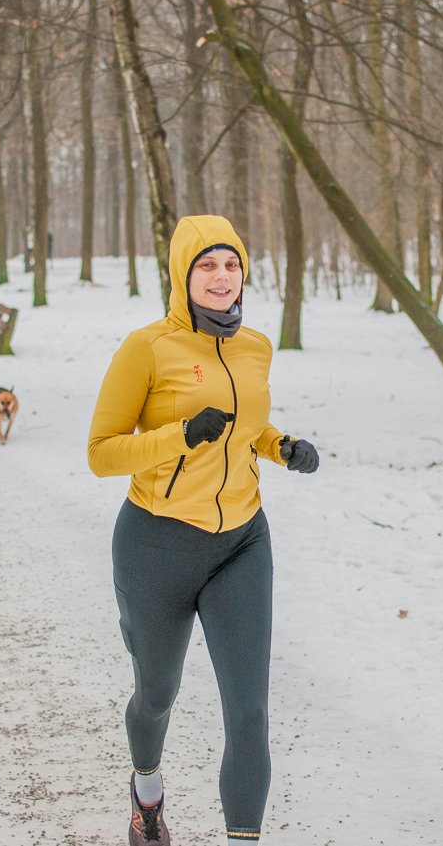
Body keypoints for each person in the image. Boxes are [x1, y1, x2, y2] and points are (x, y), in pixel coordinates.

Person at [88, 215, 320, 846]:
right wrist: (178, 437)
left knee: (249, 712)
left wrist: (283, 447)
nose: (222, 278)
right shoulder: (148, 347)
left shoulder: (255, 347)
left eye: (231, 265)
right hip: (155, 546)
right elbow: (102, 452)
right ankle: (147, 794)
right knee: (156, 696)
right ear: (182, 276)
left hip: (241, 542)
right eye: (207, 266)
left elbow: (246, 428)